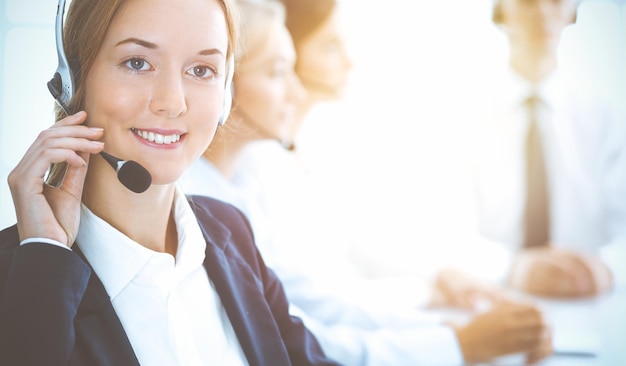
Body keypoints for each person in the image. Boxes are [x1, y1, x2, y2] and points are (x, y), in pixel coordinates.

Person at [181, 0, 552, 364]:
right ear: (225, 85)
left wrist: (445, 322)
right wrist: (454, 342)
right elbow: (299, 328)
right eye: (278, 72)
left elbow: (326, 290)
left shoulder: (248, 176)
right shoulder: (211, 198)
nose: (296, 91)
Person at [0, 0, 340, 364]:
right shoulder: (21, 273)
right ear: (74, 79)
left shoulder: (231, 231)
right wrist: (44, 262)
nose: (172, 102)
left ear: (224, 95)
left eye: (201, 69)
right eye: (137, 63)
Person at [468, 0, 626, 298]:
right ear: (499, 9)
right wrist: (511, 267)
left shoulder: (608, 120)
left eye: (554, 1)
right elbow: (442, 232)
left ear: (573, 10)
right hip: (490, 296)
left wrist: (605, 267)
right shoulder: (463, 117)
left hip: (588, 302)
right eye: (527, 1)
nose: (542, 12)